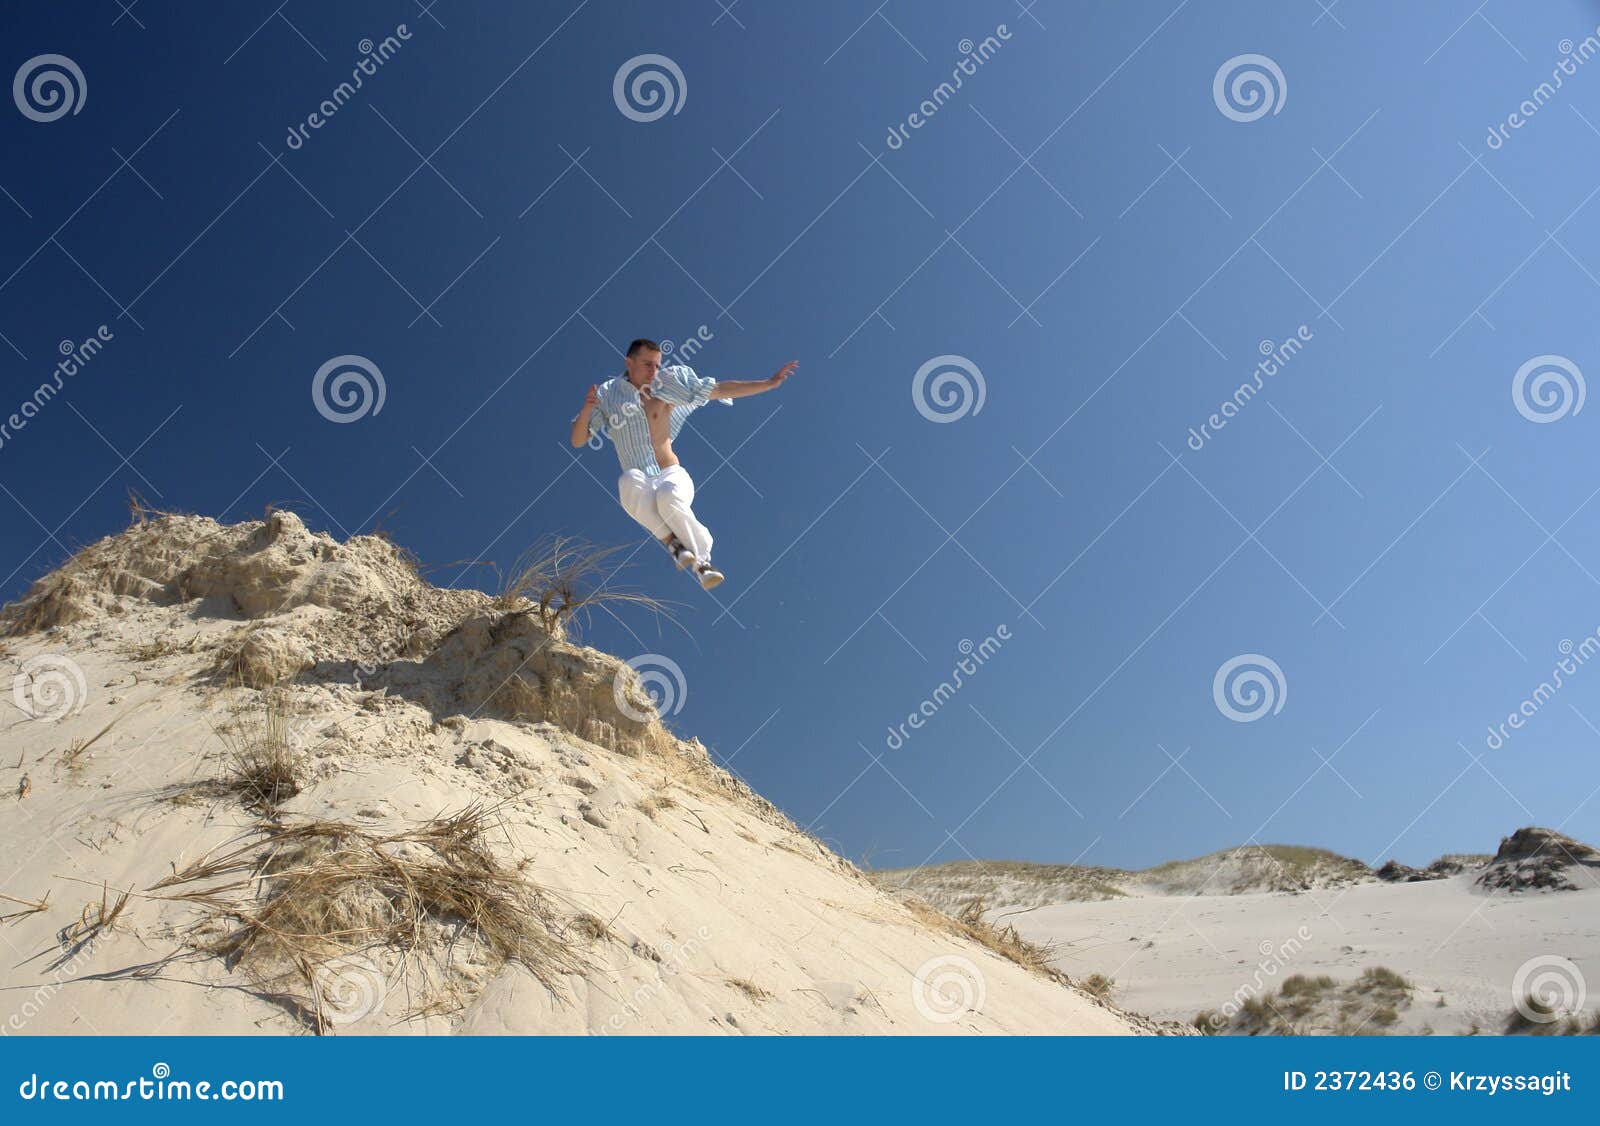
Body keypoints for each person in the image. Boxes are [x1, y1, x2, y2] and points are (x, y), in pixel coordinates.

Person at [571, 339, 797, 589]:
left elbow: (719, 389)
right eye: (647, 364)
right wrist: (587, 410)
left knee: (667, 496)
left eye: (657, 365)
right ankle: (674, 543)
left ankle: (703, 563)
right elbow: (578, 440)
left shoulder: (667, 385)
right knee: (628, 481)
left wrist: (768, 383)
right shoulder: (608, 393)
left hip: (670, 473)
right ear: (629, 363)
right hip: (640, 482)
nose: (653, 371)